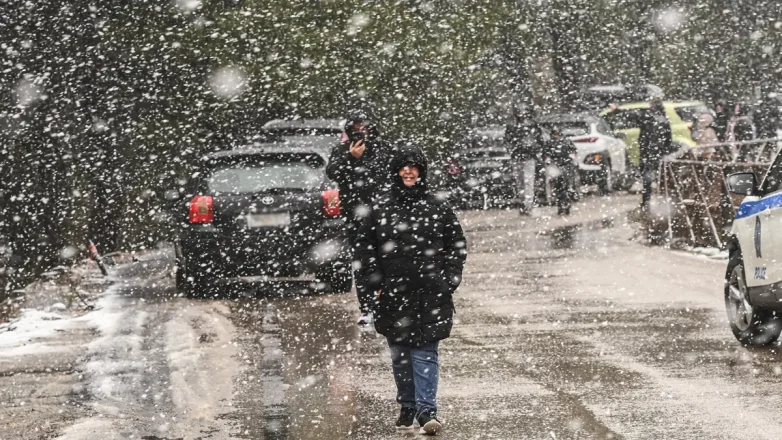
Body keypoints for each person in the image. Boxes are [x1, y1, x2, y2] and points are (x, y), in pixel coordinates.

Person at [355, 145, 467, 435]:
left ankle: (427, 410)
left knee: (426, 351)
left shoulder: (437, 207)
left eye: (414, 166)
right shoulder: (380, 208)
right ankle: (407, 405)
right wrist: (374, 285)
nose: (408, 171)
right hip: (393, 293)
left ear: (422, 171)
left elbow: (456, 245)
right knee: (401, 354)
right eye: (403, 167)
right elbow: (365, 250)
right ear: (395, 171)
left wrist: (449, 279)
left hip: (431, 292)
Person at [326, 111, 394, 326]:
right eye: (355, 128)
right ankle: (367, 308)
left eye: (364, 127)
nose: (360, 131)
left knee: (389, 261)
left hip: (383, 215)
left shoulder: (383, 149)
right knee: (362, 263)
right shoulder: (341, 151)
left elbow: (389, 174)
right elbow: (333, 172)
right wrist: (351, 158)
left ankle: (388, 305)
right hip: (355, 218)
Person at [607, 99, 673, 210]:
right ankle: (662, 202)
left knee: (647, 178)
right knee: (658, 178)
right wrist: (663, 151)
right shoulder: (664, 120)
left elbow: (631, 115)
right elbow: (668, 140)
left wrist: (617, 110)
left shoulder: (647, 117)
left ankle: (646, 202)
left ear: (652, 106)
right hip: (657, 153)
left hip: (647, 153)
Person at [504, 104, 542, 215]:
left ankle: (527, 205)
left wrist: (533, 149)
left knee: (527, 182)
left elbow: (539, 141)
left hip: (527, 157)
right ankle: (524, 204)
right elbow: (507, 141)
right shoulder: (512, 127)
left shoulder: (532, 126)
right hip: (519, 157)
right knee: (521, 182)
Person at [542, 128, 579, 216]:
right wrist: (549, 161)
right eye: (554, 135)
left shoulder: (567, 142)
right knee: (559, 188)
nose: (556, 136)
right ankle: (561, 205)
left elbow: (573, 152)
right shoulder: (549, 144)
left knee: (567, 186)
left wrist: (569, 159)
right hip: (556, 168)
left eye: (557, 134)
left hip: (566, 167)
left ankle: (567, 203)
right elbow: (545, 155)